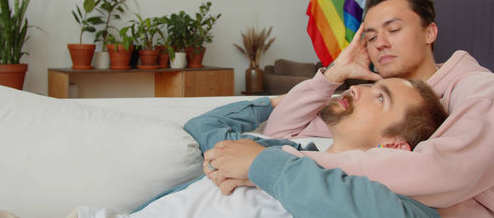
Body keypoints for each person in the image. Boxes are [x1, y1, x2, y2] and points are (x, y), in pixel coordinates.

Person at [204, 0, 494, 218]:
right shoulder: (367, 99)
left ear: (429, 32)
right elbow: (280, 133)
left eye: (393, 30)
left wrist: (268, 164)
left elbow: (444, 172)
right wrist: (332, 75)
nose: (380, 43)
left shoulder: (478, 88)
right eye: (370, 36)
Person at [71, 77, 446, 218]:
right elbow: (205, 127)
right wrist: (276, 102)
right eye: (367, 84)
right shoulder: (285, 148)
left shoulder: (394, 202)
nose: (358, 88)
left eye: (380, 98)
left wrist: (262, 167)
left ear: (395, 144)